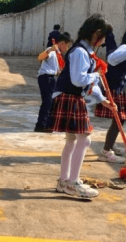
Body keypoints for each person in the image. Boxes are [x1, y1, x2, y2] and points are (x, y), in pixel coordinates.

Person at [46, 14, 116, 199]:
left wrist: (102, 99)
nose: (103, 42)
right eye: (103, 37)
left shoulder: (83, 51)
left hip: (68, 96)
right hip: (70, 97)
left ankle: (64, 182)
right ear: (97, 33)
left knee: (71, 140)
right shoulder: (80, 52)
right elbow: (79, 80)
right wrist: (97, 74)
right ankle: (73, 182)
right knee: (84, 140)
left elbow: (86, 84)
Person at [94, 27, 126, 163]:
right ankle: (106, 152)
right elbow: (111, 59)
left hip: (118, 88)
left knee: (119, 120)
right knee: (119, 119)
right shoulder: (125, 48)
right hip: (112, 89)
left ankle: (110, 146)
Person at [35, 32, 73, 132]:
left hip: (52, 78)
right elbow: (40, 57)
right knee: (47, 101)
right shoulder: (51, 50)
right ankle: (41, 125)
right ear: (62, 43)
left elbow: (58, 68)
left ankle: (47, 124)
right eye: (67, 45)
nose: (67, 48)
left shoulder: (58, 54)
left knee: (52, 102)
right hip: (46, 77)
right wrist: (50, 50)